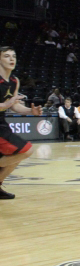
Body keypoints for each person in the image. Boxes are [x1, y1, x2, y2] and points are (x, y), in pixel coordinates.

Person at [0, 47, 41, 199]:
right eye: (6, 56)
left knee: (16, 155)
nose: (11, 59)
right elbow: (7, 104)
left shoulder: (14, 81)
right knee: (26, 150)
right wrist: (5, 105)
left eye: (14, 56)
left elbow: (14, 105)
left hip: (2, 122)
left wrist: (30, 112)